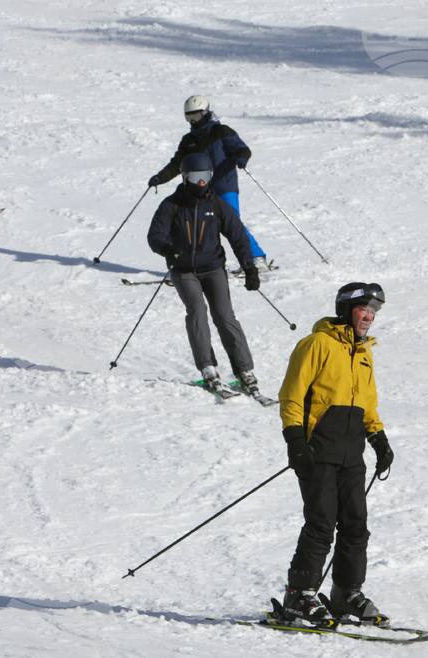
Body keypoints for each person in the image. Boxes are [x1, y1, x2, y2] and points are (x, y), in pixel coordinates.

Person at [276, 282, 395, 625]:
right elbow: (292, 395)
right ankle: (299, 595)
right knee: (321, 522)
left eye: (374, 312)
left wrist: (379, 439)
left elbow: (367, 404)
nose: (369, 317)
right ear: (346, 309)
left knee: (356, 525)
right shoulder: (317, 344)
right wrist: (295, 441)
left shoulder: (363, 354)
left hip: (351, 454)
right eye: (364, 309)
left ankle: (346, 593)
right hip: (318, 451)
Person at [147, 152, 262, 397]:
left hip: (213, 269)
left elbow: (238, 236)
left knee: (225, 315)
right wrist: (169, 249)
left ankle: (244, 370)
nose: (202, 183)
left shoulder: (218, 204)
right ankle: (208, 367)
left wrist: (249, 267)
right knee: (197, 310)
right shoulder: (172, 204)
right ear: (186, 177)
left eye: (206, 176)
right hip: (184, 271)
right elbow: (155, 236)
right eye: (197, 177)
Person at [148, 95, 270, 272]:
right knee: (199, 225)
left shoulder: (221, 132)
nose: (192, 121)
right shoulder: (188, 141)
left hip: (225, 186)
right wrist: (160, 178)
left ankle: (256, 258)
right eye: (188, 117)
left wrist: (242, 158)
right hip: (201, 189)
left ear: (205, 113)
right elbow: (177, 164)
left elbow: (242, 148)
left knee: (232, 222)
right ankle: (194, 264)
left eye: (195, 116)